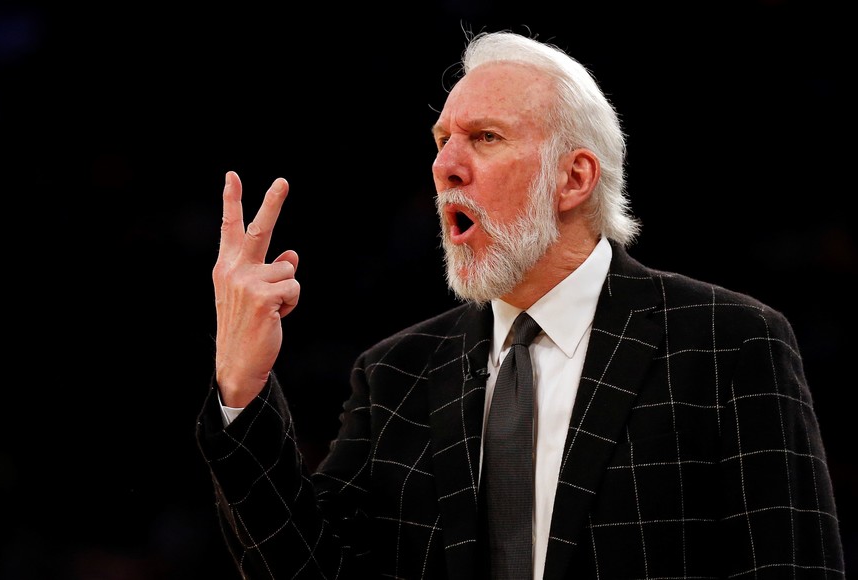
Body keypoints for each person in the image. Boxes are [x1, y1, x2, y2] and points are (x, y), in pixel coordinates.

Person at [196, 30, 845, 579]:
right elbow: (307, 569)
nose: (445, 164)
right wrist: (241, 386)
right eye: (440, 139)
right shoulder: (395, 373)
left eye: (484, 138)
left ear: (574, 178)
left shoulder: (729, 342)